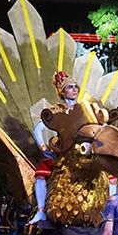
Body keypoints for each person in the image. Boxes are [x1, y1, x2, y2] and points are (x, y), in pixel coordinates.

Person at [28, 71, 80, 225]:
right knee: (41, 174)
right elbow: (37, 130)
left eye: (75, 86)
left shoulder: (83, 109)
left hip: (80, 150)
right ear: (62, 92)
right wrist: (44, 148)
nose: (74, 89)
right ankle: (41, 211)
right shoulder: (56, 110)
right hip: (61, 151)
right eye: (70, 87)